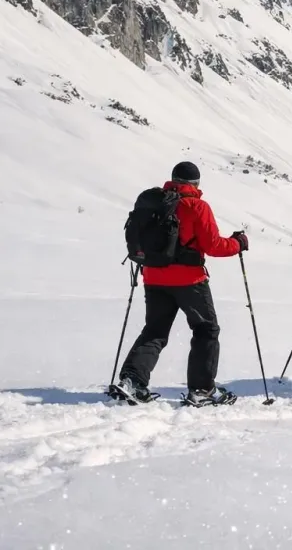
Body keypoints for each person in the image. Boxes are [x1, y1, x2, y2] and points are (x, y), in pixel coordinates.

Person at [112, 161, 246, 407]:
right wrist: (238, 243)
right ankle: (202, 390)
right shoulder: (196, 206)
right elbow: (213, 246)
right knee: (206, 330)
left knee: (155, 331)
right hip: (189, 280)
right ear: (196, 183)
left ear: (173, 179)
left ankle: (132, 381)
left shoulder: (154, 202)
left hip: (154, 276)